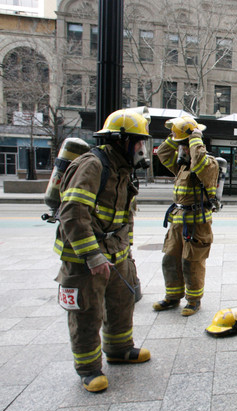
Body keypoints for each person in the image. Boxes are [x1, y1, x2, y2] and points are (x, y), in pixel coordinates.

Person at [54, 109, 152, 393]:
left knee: (122, 302)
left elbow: (124, 214)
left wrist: (125, 250)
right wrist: (92, 255)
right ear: (121, 141)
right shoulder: (92, 165)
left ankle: (120, 349)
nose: (141, 149)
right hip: (84, 258)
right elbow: (72, 212)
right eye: (137, 142)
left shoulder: (122, 168)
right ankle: (88, 368)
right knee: (86, 311)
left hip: (115, 252)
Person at [152, 117, 219, 317]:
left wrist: (195, 136)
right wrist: (176, 136)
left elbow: (199, 162)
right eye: (181, 148)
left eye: (185, 148)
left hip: (197, 224)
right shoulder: (182, 166)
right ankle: (172, 297)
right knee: (170, 259)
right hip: (177, 224)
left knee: (192, 262)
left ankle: (193, 300)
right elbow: (163, 153)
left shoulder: (209, 164)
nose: (182, 152)